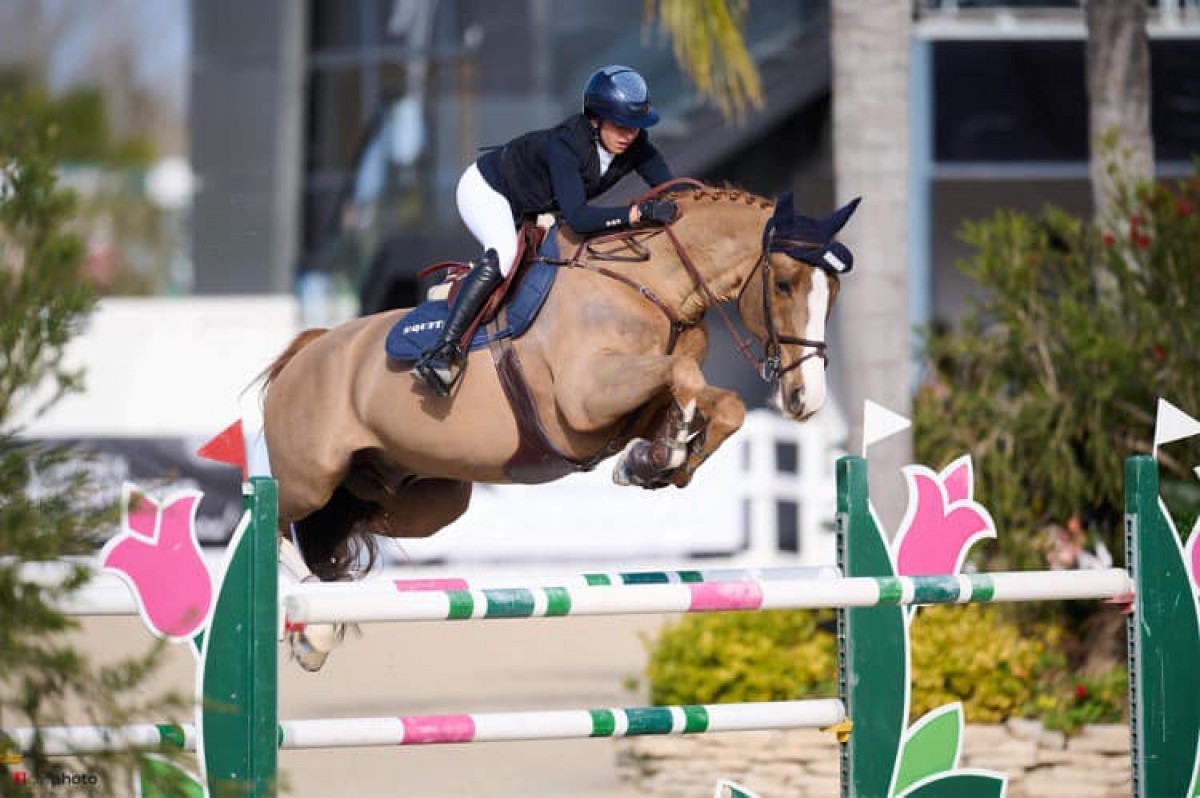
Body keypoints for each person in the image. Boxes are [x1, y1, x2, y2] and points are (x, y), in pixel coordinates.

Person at [414, 64, 681, 396]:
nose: (629, 135)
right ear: (595, 120)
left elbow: (674, 190)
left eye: (636, 127)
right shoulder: (566, 145)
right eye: (621, 125)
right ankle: (442, 351)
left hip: (530, 206)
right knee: (504, 254)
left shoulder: (636, 145)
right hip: (486, 190)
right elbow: (578, 218)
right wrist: (638, 213)